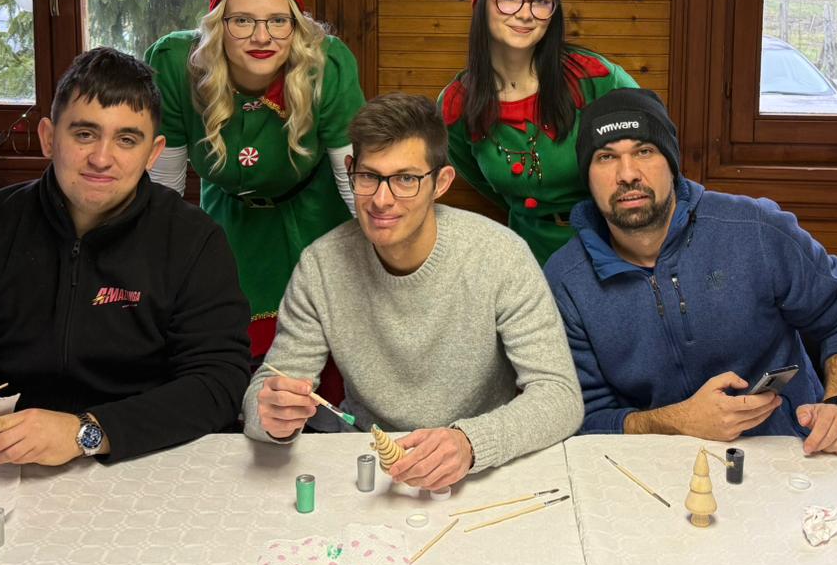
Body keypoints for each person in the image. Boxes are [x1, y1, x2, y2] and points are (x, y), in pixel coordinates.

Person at [0, 47, 250, 464]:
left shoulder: (194, 240)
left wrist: (87, 432)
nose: (101, 158)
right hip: (1, 460)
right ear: (49, 137)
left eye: (127, 140)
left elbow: (218, 383)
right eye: (84, 134)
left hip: (144, 460)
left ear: (153, 153)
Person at [244, 93, 583, 489]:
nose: (381, 200)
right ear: (350, 171)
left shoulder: (501, 255)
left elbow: (560, 396)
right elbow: (266, 389)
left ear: (441, 183)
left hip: (479, 469)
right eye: (369, 176)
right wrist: (271, 416)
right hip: (368, 464)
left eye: (406, 179)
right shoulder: (321, 266)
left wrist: (470, 442)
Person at [545, 87, 837, 455]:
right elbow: (582, 419)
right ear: (588, 177)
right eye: (606, 157)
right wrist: (677, 422)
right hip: (654, 465)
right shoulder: (566, 281)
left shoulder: (756, 228)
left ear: (671, 163)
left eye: (644, 151)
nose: (627, 174)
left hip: (788, 452)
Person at [145, 0, 364, 360]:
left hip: (314, 221)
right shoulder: (178, 65)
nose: (262, 37)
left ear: (296, 26)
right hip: (226, 225)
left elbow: (356, 184)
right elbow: (164, 188)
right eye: (242, 21)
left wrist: (377, 275)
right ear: (218, 25)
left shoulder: (326, 67)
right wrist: (159, 271)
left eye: (278, 21)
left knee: (315, 357)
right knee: (223, 353)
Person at [438, 0, 638, 264]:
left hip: (608, 248)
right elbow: (481, 181)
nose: (525, 13)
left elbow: (653, 147)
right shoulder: (456, 104)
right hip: (526, 254)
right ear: (483, 2)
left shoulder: (594, 78)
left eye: (541, 1)